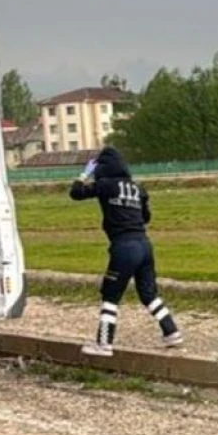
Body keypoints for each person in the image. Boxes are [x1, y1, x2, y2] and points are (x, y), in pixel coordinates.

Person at [69, 146, 183, 357]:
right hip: (144, 245)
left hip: (123, 247)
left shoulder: (105, 185)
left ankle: (104, 343)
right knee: (148, 293)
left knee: (110, 296)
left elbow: (75, 193)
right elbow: (146, 218)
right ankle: (171, 331)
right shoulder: (138, 189)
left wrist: (84, 175)